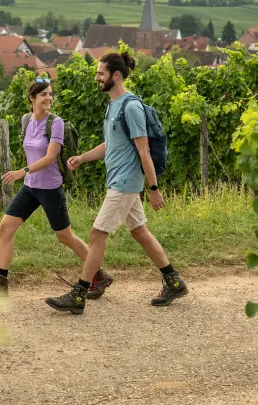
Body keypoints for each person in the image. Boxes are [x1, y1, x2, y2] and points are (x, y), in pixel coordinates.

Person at [45, 52, 188, 314]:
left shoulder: (131, 108)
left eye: (101, 73)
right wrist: (83, 157)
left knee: (97, 234)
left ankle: (79, 294)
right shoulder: (113, 106)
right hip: (120, 181)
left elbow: (143, 151)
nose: (97, 78)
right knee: (139, 232)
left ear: (116, 75)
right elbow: (111, 144)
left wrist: (154, 189)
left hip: (125, 183)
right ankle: (174, 281)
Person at [0, 77, 113, 296]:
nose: (48, 98)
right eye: (43, 94)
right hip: (30, 187)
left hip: (50, 188)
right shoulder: (25, 120)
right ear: (32, 98)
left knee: (65, 236)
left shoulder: (56, 123)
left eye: (50, 94)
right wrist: (27, 175)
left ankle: (100, 274)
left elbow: (49, 158)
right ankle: (0, 281)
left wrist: (22, 171)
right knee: (5, 228)